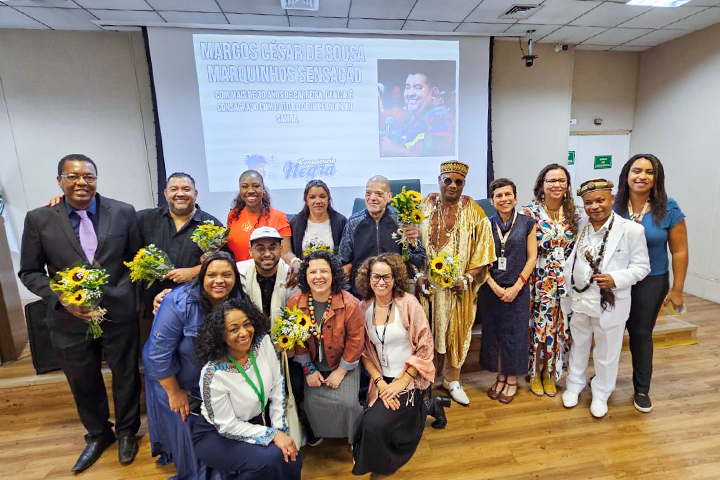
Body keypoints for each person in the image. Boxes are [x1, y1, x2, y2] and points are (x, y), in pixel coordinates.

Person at [18, 154, 142, 472]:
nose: (81, 182)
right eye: (72, 176)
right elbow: (30, 272)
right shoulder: (39, 219)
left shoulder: (124, 212)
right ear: (59, 180)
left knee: (126, 376)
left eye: (88, 176)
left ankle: (128, 432)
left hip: (118, 313)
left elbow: (136, 259)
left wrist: (131, 297)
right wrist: (62, 297)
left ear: (96, 180)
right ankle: (99, 435)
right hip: (69, 319)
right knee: (83, 380)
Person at [44, 172, 225, 343]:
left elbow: (225, 262)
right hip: (152, 305)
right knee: (156, 354)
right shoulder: (145, 218)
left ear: (196, 193)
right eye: (174, 189)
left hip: (196, 304)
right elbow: (104, 217)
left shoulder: (211, 225)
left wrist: (194, 271)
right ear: (165, 193)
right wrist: (68, 201)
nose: (180, 194)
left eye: (186, 189)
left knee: (193, 351)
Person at [143, 252, 245, 479]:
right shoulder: (177, 303)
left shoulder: (239, 300)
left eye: (227, 275)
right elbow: (157, 354)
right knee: (189, 437)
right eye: (212, 275)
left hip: (212, 380)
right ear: (201, 278)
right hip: (172, 379)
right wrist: (174, 392)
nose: (219, 280)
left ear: (235, 278)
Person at [561, 179, 650, 418]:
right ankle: (574, 384)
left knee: (607, 351)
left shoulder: (631, 230)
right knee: (578, 344)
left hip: (609, 302)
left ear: (611, 199)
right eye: (588, 202)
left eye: (600, 200)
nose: (595, 207)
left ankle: (601, 393)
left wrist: (616, 278)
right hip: (580, 299)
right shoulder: (579, 226)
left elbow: (642, 267)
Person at [193, 299, 302, 479]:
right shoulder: (213, 373)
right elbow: (226, 425)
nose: (244, 333)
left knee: (291, 457)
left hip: (256, 423)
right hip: (217, 434)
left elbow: (277, 387)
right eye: (233, 329)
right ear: (220, 335)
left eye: (247, 324)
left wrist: (280, 430)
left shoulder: (263, 343)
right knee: (270, 460)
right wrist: (272, 434)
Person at [417, 161, 495, 405]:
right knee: (425, 332)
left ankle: (452, 380)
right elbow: (409, 244)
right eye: (447, 180)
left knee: (457, 333)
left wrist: (467, 278)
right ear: (439, 180)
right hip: (428, 286)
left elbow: (485, 251)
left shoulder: (474, 211)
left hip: (458, 287)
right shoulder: (423, 206)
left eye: (458, 181)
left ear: (464, 184)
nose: (452, 185)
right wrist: (418, 275)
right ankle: (427, 380)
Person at [614, 154, 688, 413]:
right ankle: (604, 379)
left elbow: (679, 251)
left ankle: (641, 389)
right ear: (627, 174)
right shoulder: (614, 205)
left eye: (648, 172)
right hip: (616, 282)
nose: (641, 176)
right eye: (636, 171)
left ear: (656, 177)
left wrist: (677, 290)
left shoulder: (668, 207)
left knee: (641, 334)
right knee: (609, 332)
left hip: (651, 281)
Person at [351, 253, 435, 476]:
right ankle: (380, 461)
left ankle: (381, 470)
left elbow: (425, 346)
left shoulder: (408, 303)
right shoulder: (363, 307)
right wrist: (379, 382)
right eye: (376, 276)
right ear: (368, 278)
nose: (381, 282)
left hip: (409, 377)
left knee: (375, 424)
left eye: (386, 277)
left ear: (395, 278)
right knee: (366, 422)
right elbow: (365, 353)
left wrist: (402, 382)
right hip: (381, 380)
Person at [290, 249, 365, 442]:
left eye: (324, 271)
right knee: (312, 404)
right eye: (312, 272)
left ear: (333, 274)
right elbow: (296, 339)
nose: (318, 277)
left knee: (348, 403)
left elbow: (356, 341)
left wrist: (340, 371)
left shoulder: (350, 304)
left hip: (344, 363)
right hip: (313, 365)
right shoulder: (295, 303)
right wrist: (308, 369)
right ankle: (323, 434)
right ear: (305, 276)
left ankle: (354, 437)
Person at [522, 164, 579, 397]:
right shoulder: (529, 213)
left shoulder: (574, 214)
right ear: (542, 184)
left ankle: (550, 372)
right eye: (551, 180)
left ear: (567, 185)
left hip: (563, 281)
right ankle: (534, 371)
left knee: (556, 328)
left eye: (561, 180)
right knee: (537, 326)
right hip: (537, 279)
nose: (556, 184)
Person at [480, 179, 537, 404]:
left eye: (508, 194)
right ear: (492, 201)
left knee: (515, 335)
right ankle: (500, 376)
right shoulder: (485, 224)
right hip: (491, 289)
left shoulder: (527, 223)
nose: (504, 199)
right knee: (495, 335)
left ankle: (511, 379)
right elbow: (481, 259)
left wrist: (517, 286)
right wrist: (493, 285)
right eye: (499, 196)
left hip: (518, 288)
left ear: (515, 197)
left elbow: (532, 257)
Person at [338, 175, 425, 298]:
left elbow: (418, 259)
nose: (372, 198)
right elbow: (343, 263)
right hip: (361, 295)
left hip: (395, 293)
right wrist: (350, 296)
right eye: (368, 193)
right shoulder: (353, 223)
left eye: (379, 194)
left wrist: (413, 242)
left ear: (389, 197)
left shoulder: (401, 221)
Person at [226, 170, 294, 267]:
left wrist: (295, 263)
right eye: (245, 186)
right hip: (240, 276)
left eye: (256, 186)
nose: (250, 190)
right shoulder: (233, 215)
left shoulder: (278, 217)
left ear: (263, 189)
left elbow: (286, 253)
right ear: (240, 190)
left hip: (270, 277)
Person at [380, 71, 454, 157]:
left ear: (433, 93)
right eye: (407, 88)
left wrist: (396, 150)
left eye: (418, 88)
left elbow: (434, 158)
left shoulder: (439, 119)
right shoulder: (412, 117)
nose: (410, 93)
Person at [289, 179, 347, 257]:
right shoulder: (295, 222)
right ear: (306, 200)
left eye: (322, 197)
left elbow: (345, 254)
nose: (318, 201)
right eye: (312, 197)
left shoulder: (341, 222)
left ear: (328, 199)